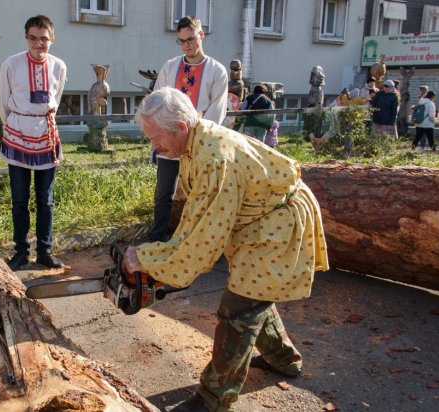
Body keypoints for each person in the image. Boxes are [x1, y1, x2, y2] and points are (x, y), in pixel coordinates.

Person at [125, 87, 329, 412]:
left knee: (239, 309)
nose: (154, 146)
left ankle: (214, 399)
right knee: (254, 294)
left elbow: (203, 239)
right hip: (261, 220)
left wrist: (149, 260)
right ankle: (284, 359)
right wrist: (156, 256)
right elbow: (195, 218)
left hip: (278, 220)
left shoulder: (214, 156)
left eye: (156, 138)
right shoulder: (194, 144)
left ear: (180, 127)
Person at [148, 15, 228, 243]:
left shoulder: (216, 71)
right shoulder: (170, 67)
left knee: (199, 194)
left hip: (198, 143)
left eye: (191, 39)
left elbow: (217, 110)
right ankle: (158, 238)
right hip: (169, 141)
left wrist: (198, 137)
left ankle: (196, 240)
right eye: (182, 41)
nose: (187, 45)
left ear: (201, 35)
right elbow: (158, 100)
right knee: (163, 193)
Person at [0, 15, 67, 270]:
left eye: (44, 39)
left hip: (46, 135)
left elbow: (55, 101)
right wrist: (16, 126)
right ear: (26, 38)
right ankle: (21, 251)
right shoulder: (11, 64)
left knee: (45, 200)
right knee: (19, 199)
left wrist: (39, 121)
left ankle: (45, 251)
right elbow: (3, 101)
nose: (39, 44)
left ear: (52, 39)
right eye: (33, 39)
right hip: (17, 134)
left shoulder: (59, 66)